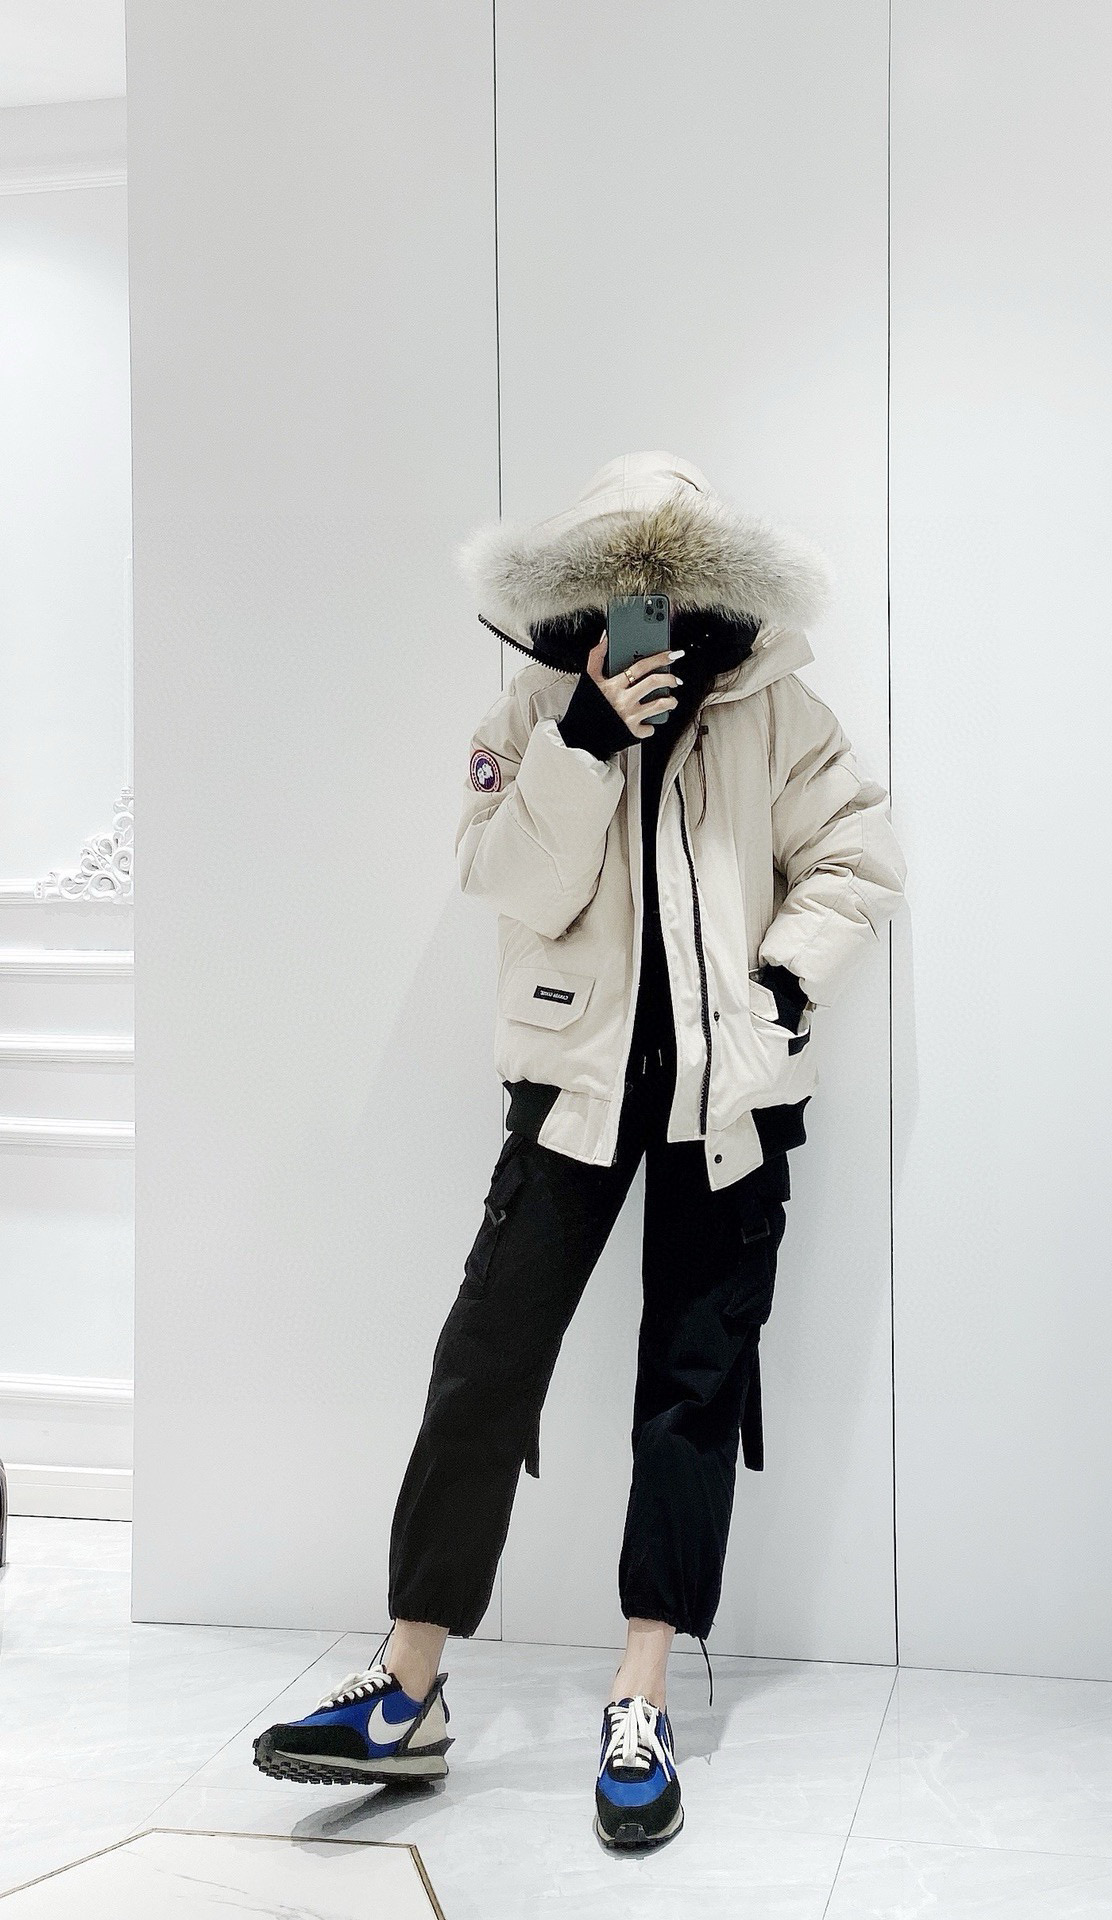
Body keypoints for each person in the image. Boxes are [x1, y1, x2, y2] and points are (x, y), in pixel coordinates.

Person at [252, 451, 907, 1850]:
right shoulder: (535, 712)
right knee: (485, 1364)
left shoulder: (774, 705)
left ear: (715, 590)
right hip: (571, 1089)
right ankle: (409, 1688)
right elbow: (505, 879)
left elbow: (857, 853)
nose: (642, 608)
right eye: (617, 585)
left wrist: (784, 985)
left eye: (669, 585)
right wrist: (585, 744)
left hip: (732, 1103)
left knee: (693, 1389)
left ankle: (640, 1694)